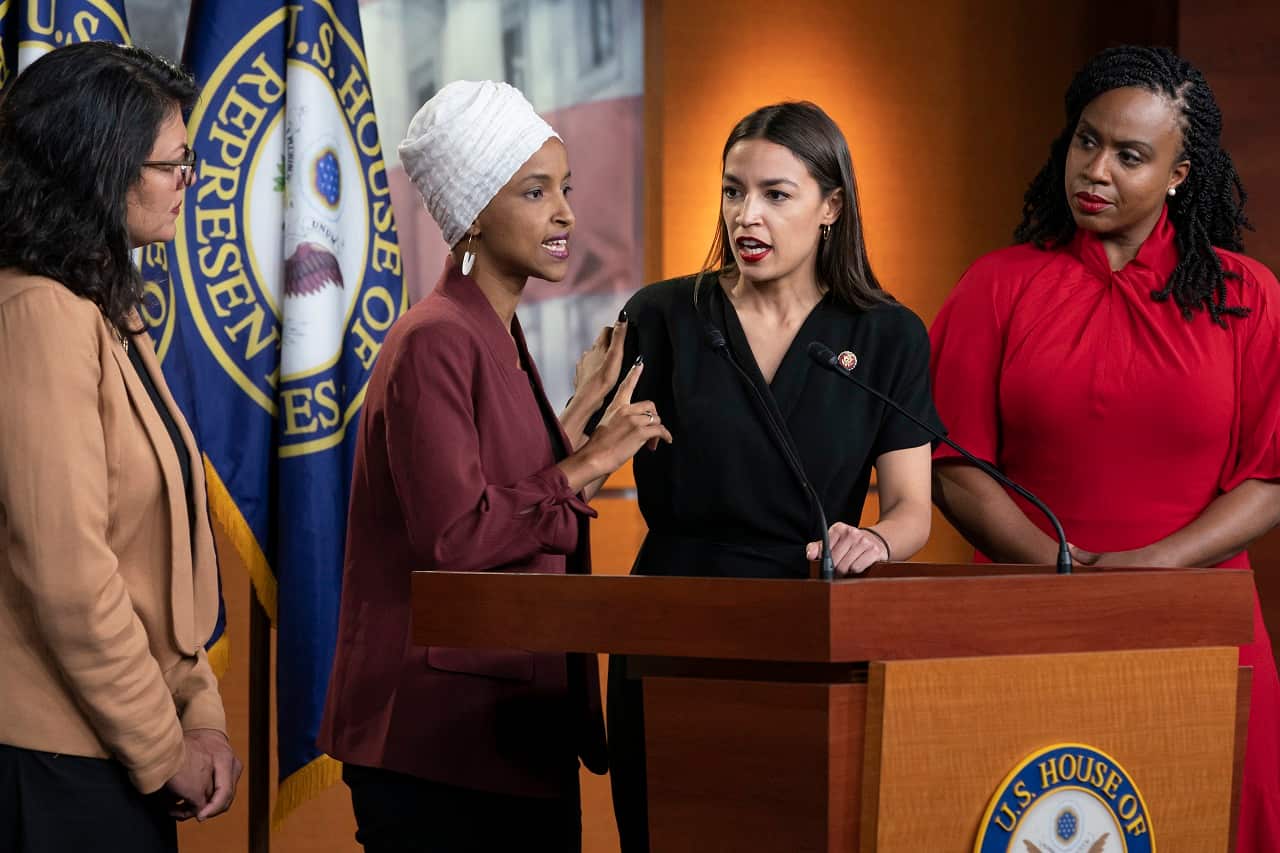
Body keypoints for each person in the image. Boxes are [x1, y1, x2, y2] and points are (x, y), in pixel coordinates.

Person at [930, 45, 1280, 849]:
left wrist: (1156, 566)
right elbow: (953, 465)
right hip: (1028, 619)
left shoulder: (1249, 298)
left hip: (1203, 625)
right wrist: (1058, 568)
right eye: (1087, 141)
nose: (1095, 170)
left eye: (1130, 155)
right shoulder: (997, 285)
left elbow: (1271, 475)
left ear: (1179, 174)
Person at [318, 80, 671, 853]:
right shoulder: (436, 339)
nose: (565, 213)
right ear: (474, 211)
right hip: (440, 746)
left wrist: (578, 417)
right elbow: (457, 536)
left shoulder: (492, 332)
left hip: (507, 734)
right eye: (535, 192)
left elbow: (504, 488)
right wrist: (589, 459)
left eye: (566, 189)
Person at [606, 101, 941, 852]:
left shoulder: (888, 335)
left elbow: (912, 509)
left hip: (808, 628)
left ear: (831, 207)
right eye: (733, 191)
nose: (745, 215)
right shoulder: (662, 314)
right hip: (673, 621)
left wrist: (876, 542)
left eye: (775, 194)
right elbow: (581, 465)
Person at [0, 42, 241, 853]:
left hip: (110, 751)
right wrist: (165, 747)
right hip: (53, 767)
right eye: (172, 164)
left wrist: (201, 715)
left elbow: (157, 556)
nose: (188, 181)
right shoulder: (38, 314)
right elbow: (68, 575)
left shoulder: (104, 307)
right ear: (98, 168)